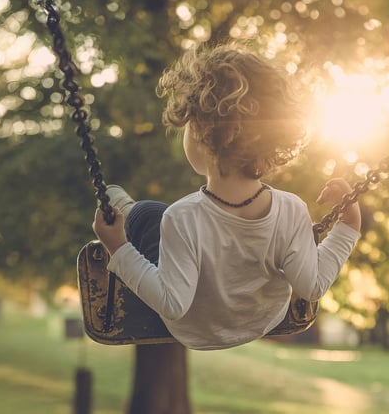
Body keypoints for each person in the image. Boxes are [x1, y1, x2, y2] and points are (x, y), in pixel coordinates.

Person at [92, 43, 361, 350]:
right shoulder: (292, 210)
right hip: (262, 321)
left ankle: (126, 210)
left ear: (207, 131)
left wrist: (118, 248)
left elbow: (172, 304)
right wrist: (348, 228)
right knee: (156, 217)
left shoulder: (181, 218)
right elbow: (312, 286)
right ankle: (127, 209)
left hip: (196, 329)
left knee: (146, 214)